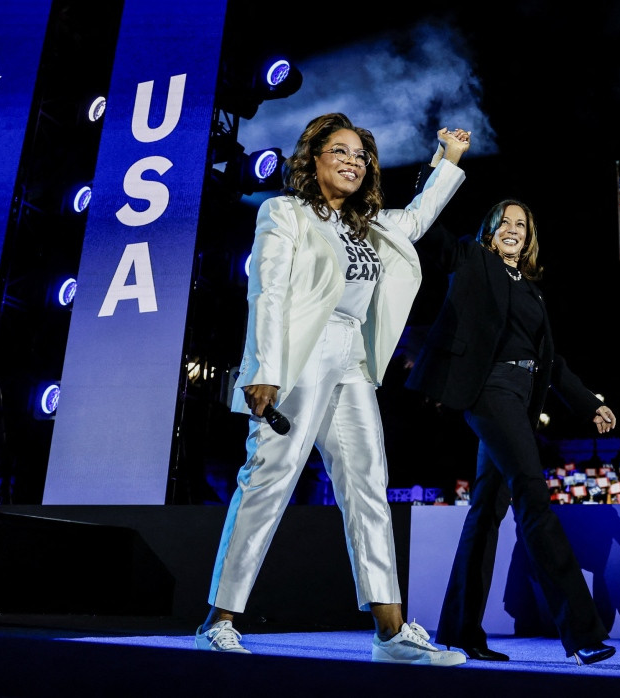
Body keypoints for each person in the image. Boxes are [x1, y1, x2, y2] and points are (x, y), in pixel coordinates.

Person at [195, 113, 471, 666]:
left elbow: (416, 217)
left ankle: (391, 633)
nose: (352, 161)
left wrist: (448, 162)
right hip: (301, 355)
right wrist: (265, 369)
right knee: (269, 480)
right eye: (339, 151)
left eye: (361, 155)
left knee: (369, 485)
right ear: (313, 160)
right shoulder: (286, 214)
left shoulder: (371, 226)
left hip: (353, 359)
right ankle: (219, 621)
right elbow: (268, 293)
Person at [404, 197, 619, 665]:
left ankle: (460, 632)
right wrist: (440, 169)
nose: (512, 228)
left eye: (521, 223)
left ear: (530, 237)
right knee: (532, 495)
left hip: (521, 400)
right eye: (504, 221)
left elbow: (551, 362)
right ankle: (581, 633)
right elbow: (430, 233)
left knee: (486, 511)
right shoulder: (472, 259)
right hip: (489, 390)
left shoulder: (531, 290)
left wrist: (589, 405)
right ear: (489, 230)